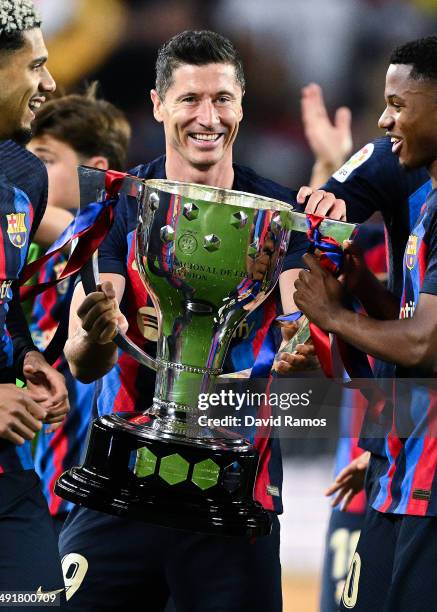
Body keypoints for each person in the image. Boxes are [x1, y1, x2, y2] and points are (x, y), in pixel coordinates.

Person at [58, 29, 348, 612]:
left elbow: (299, 313)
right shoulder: (117, 207)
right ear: (158, 104)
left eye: (222, 99)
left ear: (241, 105)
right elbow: (83, 362)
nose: (207, 117)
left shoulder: (278, 216)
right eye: (189, 99)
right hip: (121, 491)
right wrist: (96, 327)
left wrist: (303, 343)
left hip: (235, 500)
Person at [294, 35, 437, 612]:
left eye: (399, 105)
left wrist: (330, 315)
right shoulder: (426, 205)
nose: (384, 118)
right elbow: (412, 328)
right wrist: (365, 289)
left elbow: (425, 342)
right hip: (403, 465)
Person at [0, 0, 69, 599]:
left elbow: (2, 302)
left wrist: (28, 361)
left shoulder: (23, 180)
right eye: (36, 66)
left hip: (4, 479)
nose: (50, 83)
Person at [25, 87, 131, 535]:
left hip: (77, 493)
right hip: (50, 480)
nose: (30, 171)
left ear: (97, 172)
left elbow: (35, 214)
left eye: (46, 159)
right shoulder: (45, 251)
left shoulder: (92, 234)